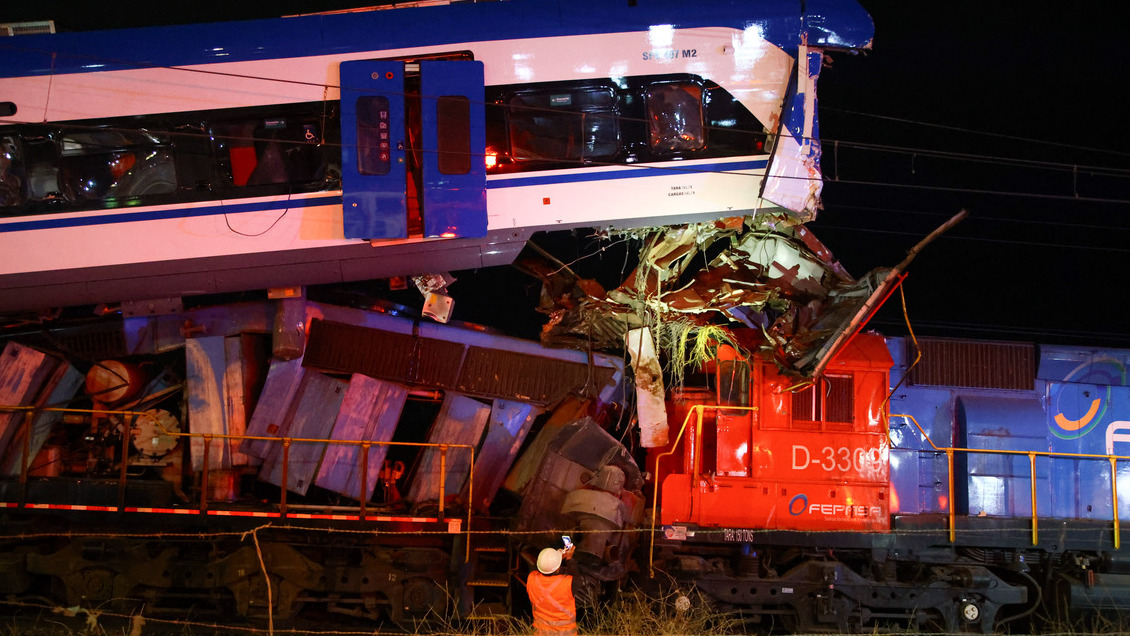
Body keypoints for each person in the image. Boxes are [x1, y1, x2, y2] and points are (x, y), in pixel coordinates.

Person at [527, 544, 577, 635]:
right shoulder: (568, 583)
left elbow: (541, 567)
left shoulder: (531, 578)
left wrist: (556, 559)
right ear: (558, 567)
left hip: (541, 633)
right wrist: (569, 558)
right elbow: (577, 576)